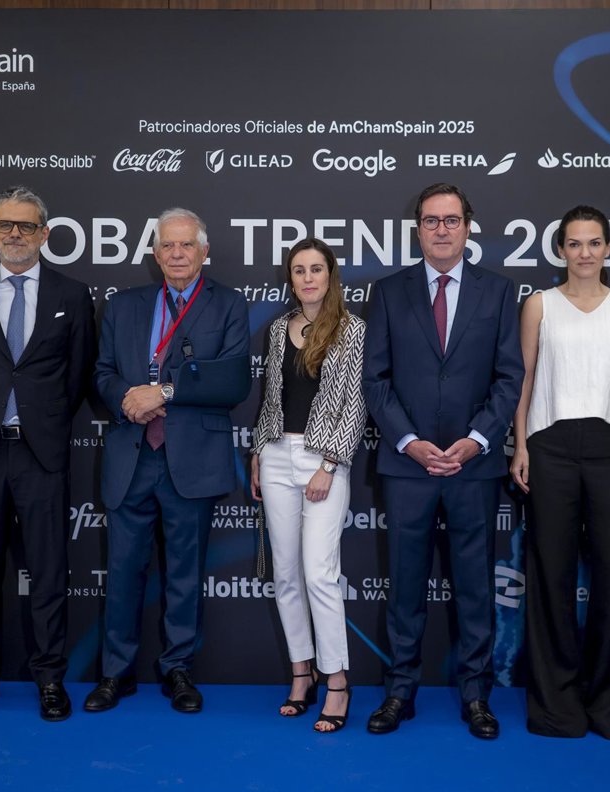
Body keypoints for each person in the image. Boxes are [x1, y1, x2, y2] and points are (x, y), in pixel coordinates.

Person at [362, 183, 523, 740]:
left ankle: (477, 696)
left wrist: (477, 439)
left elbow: (510, 377)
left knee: (475, 589)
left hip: (472, 467)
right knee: (404, 588)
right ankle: (399, 692)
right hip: (407, 467)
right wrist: (408, 441)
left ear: (468, 227)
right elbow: (375, 380)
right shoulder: (389, 292)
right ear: (418, 229)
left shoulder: (499, 292)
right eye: (431, 220)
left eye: (451, 220)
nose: (441, 229)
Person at [0, 186, 96, 722]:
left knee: (48, 572)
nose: (15, 235)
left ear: (44, 234)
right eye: (5, 225)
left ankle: (49, 678)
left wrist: (41, 418)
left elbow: (77, 375)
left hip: (41, 453)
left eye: (27, 226)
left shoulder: (73, 295)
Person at [86, 208, 250, 715]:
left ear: (205, 251)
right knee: (123, 573)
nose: (177, 254)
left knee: (185, 575)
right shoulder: (124, 306)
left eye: (187, 245)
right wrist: (128, 399)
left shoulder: (228, 304)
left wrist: (164, 392)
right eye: (168, 246)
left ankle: (178, 669)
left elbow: (232, 381)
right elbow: (103, 372)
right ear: (155, 254)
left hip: (191, 460)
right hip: (132, 456)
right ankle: (115, 673)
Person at [510, 205, 610, 740]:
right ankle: (556, 707)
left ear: (608, 248)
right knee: (551, 576)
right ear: (560, 250)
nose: (585, 253)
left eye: (594, 243)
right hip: (549, 448)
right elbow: (524, 380)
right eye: (574, 243)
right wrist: (519, 445)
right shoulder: (539, 305)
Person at [249, 238, 367, 733]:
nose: (308, 278)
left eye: (316, 269)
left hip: (324, 460)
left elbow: (355, 404)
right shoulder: (278, 329)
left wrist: (330, 464)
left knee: (320, 573)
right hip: (277, 456)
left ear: (330, 274)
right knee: (286, 574)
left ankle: (337, 680)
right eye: (299, 270)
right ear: (291, 279)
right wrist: (259, 452)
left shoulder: (352, 329)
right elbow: (271, 398)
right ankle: (303, 673)